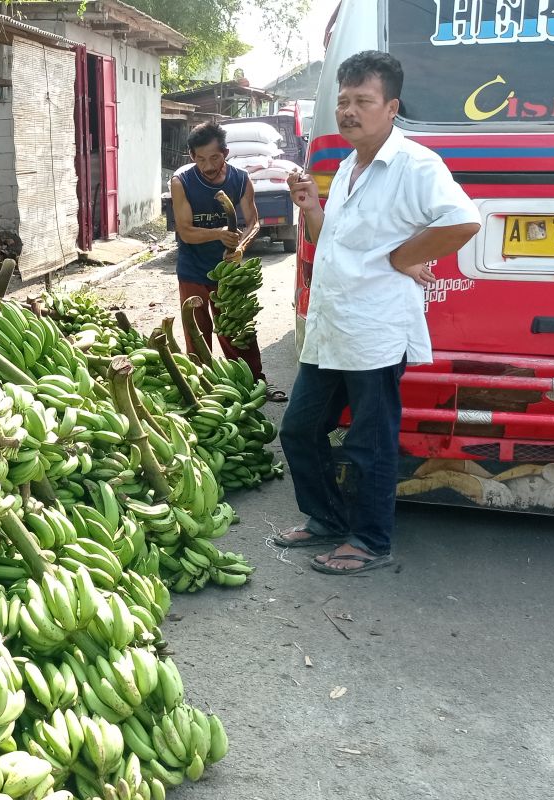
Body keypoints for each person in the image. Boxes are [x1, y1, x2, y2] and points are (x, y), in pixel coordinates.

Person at [275, 51, 480, 575]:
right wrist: (311, 209)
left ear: (391, 107)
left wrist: (401, 257)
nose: (348, 110)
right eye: (343, 101)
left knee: (369, 440)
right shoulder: (347, 165)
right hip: (332, 326)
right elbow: (334, 240)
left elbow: (463, 221)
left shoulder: (414, 164)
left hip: (374, 329)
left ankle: (369, 540)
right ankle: (325, 519)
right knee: (299, 429)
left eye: (362, 101)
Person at [170, 121, 287, 402]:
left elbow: (254, 222)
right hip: (193, 269)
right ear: (191, 157)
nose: (207, 165)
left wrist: (241, 246)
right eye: (200, 159)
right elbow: (185, 230)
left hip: (228, 272)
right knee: (197, 333)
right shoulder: (181, 182)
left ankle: (255, 382)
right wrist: (219, 234)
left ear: (226, 152)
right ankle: (202, 387)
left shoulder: (240, 179)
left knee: (236, 329)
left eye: (214, 157)